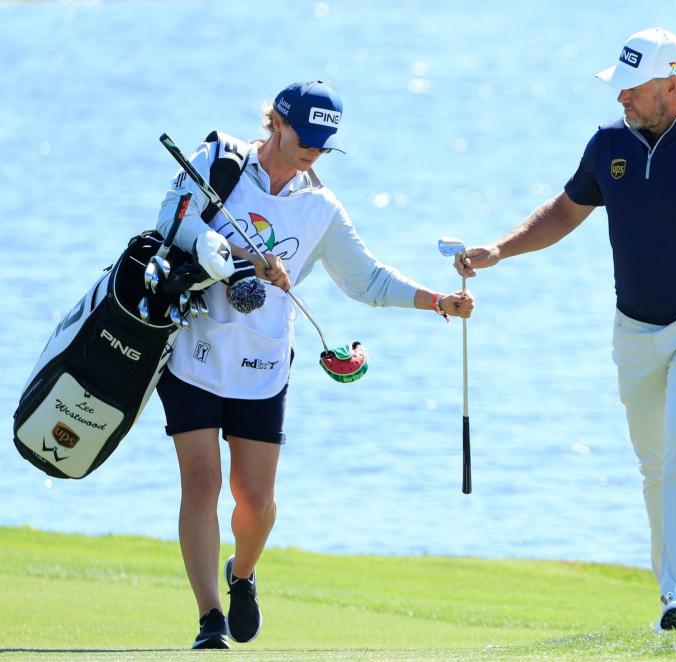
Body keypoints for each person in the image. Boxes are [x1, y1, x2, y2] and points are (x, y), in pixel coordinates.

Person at [455, 29, 676, 630]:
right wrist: (500, 250)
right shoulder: (610, 143)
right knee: (655, 463)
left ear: (672, 85)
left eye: (630, 89)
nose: (620, 100)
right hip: (634, 328)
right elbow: (565, 211)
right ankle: (672, 594)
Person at [154, 80, 474, 649]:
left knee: (256, 502)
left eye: (326, 144)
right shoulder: (218, 161)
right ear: (276, 120)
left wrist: (436, 301)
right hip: (195, 351)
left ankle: (243, 575)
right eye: (307, 137)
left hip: (263, 364)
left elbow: (367, 279)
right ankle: (209, 620)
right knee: (202, 483)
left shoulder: (320, 207)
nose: (314, 151)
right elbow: (172, 220)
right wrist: (240, 258)